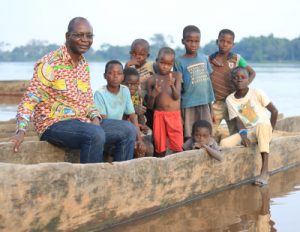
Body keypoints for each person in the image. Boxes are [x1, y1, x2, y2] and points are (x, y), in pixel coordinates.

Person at [11, 17, 136, 163]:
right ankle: (90, 183)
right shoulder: (50, 63)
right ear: (67, 36)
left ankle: (118, 179)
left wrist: (95, 118)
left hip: (82, 122)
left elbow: (88, 100)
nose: (85, 40)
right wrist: (21, 131)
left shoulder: (83, 64)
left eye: (89, 36)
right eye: (79, 35)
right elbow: (29, 100)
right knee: (95, 134)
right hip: (53, 124)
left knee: (128, 130)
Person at [220, 67, 278, 186]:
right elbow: (238, 121)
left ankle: (264, 171)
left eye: (243, 77)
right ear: (232, 80)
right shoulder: (230, 99)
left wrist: (270, 132)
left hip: (264, 127)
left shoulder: (256, 92)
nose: (239, 80)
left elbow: (274, 111)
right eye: (236, 78)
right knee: (224, 144)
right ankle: (233, 172)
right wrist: (244, 135)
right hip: (249, 131)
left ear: (248, 80)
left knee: (262, 127)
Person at [93, 60, 146, 158]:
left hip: (122, 129)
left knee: (141, 146)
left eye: (119, 73)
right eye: (111, 73)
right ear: (105, 76)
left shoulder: (125, 90)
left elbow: (133, 116)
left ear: (123, 77)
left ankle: (125, 167)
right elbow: (104, 121)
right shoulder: (100, 93)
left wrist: (139, 140)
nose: (115, 76)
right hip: (106, 132)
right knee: (128, 131)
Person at [209, 29, 256, 136]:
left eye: (228, 42)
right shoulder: (210, 60)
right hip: (217, 103)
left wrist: (243, 87)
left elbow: (252, 73)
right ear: (217, 42)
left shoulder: (237, 59)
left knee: (237, 132)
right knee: (210, 130)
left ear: (233, 44)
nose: (225, 44)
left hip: (234, 102)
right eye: (222, 41)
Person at [174, 25, 215, 140]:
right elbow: (178, 88)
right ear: (183, 41)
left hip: (204, 103)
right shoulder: (179, 61)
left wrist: (211, 110)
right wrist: (179, 114)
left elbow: (208, 85)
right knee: (189, 134)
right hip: (188, 104)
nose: (193, 44)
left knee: (207, 134)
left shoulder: (203, 58)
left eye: (196, 41)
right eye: (189, 41)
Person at [147, 47, 183, 156]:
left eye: (168, 64)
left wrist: (172, 86)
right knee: (159, 145)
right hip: (159, 115)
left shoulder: (176, 76)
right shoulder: (152, 79)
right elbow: (149, 105)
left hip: (174, 115)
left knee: (177, 144)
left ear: (172, 64)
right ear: (157, 61)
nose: (165, 66)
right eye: (162, 63)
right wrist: (153, 95)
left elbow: (177, 97)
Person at [125, 38, 157, 130]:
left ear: (147, 55)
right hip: (135, 102)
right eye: (134, 54)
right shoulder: (130, 68)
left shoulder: (152, 65)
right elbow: (123, 82)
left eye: (141, 54)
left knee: (151, 121)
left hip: (149, 100)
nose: (138, 57)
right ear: (131, 53)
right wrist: (127, 66)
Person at [122, 67, 154, 157]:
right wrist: (134, 110)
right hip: (125, 129)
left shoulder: (137, 95)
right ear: (121, 82)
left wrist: (142, 125)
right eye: (128, 84)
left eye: (135, 85)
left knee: (150, 146)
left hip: (135, 127)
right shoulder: (120, 95)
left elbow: (140, 115)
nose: (132, 87)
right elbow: (119, 117)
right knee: (141, 148)